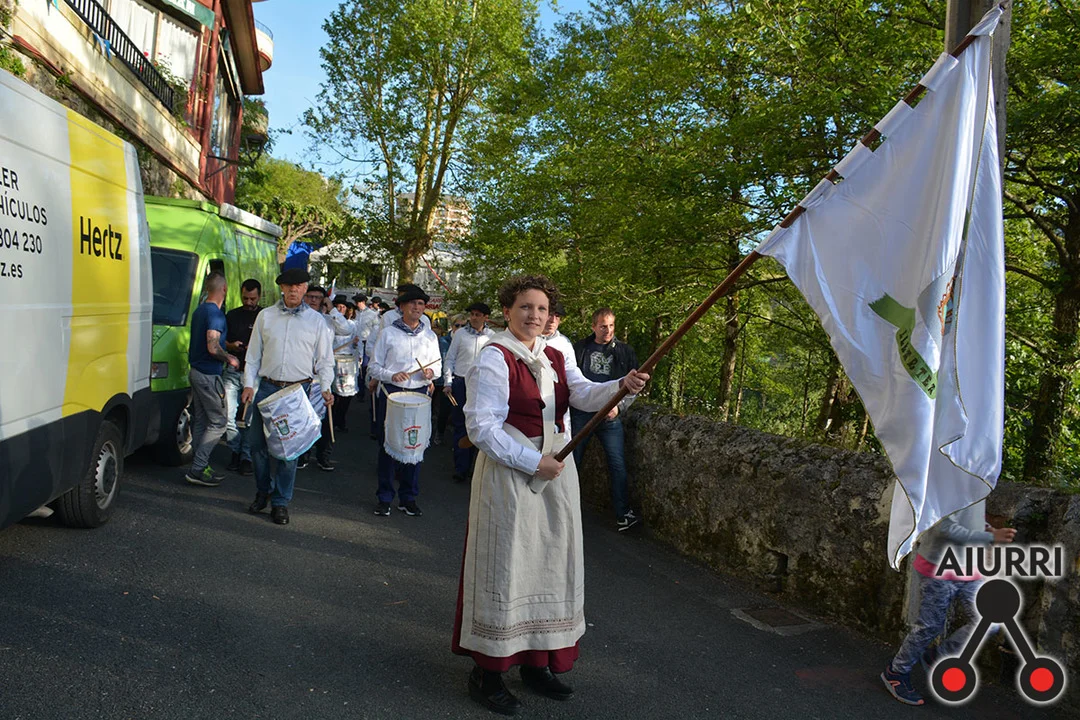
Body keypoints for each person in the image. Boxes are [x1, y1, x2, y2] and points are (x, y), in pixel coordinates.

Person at [452, 275, 648, 715]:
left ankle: (536, 662)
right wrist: (531, 461)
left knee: (548, 566)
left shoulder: (555, 353)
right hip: (510, 475)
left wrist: (622, 385)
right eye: (525, 307)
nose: (534, 315)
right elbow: (481, 428)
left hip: (556, 472)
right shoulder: (495, 357)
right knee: (508, 566)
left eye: (541, 309)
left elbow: (583, 393)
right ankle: (487, 672)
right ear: (507, 310)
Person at [881, 502, 1016, 706]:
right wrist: (989, 537)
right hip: (938, 568)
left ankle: (940, 656)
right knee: (929, 626)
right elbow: (945, 529)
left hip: (969, 567)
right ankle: (896, 672)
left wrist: (987, 528)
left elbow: (970, 518)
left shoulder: (975, 485)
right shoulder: (943, 488)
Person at [240, 268, 334, 525]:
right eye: (288, 285)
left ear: (305, 289)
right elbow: (253, 356)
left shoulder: (316, 321)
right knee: (257, 446)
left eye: (299, 285)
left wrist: (326, 387)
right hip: (267, 388)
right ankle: (263, 492)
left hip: (296, 392)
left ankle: (280, 502)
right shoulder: (265, 316)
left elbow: (325, 361)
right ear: (281, 288)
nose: (293, 289)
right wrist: (248, 384)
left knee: (289, 452)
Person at [368, 286, 441, 517]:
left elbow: (438, 366)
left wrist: (431, 373)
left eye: (420, 304)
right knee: (388, 445)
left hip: (419, 395)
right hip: (392, 394)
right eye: (412, 303)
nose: (417, 308)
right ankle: (384, 497)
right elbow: (373, 367)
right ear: (401, 307)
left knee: (414, 445)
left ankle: (408, 497)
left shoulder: (430, 336)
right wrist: (391, 375)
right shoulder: (388, 333)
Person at [571, 308, 641, 531]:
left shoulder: (625, 352)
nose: (608, 330)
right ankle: (566, 510)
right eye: (603, 326)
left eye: (611, 325)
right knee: (572, 462)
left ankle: (623, 514)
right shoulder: (579, 349)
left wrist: (620, 407)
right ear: (593, 326)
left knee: (617, 463)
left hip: (610, 416)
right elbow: (570, 382)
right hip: (582, 413)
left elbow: (635, 385)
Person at [184, 272, 239, 487]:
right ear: (224, 289)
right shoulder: (216, 315)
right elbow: (212, 346)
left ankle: (199, 465)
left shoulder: (200, 310)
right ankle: (198, 467)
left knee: (202, 420)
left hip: (196, 371)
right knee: (219, 423)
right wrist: (230, 358)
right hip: (208, 375)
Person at [299, 286, 354, 471]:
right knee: (303, 416)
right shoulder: (298, 318)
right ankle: (303, 453)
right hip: (301, 375)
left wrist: (332, 309)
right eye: (310, 297)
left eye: (318, 297)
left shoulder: (329, 320)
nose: (313, 300)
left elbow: (346, 329)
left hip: (322, 376)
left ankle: (323, 455)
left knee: (324, 417)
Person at [443, 302, 495, 482]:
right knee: (460, 424)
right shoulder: (460, 334)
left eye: (478, 315)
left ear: (486, 318)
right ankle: (461, 468)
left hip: (482, 385)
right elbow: (450, 358)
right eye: (472, 314)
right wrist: (448, 381)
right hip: (461, 382)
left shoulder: (492, 337)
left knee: (479, 425)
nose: (473, 318)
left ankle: (476, 468)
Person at [223, 278, 262, 476]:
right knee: (228, 415)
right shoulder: (232, 315)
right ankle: (235, 450)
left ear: (259, 296)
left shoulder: (264, 316)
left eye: (252, 299)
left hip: (254, 374)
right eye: (245, 298)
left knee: (249, 418)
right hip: (233, 370)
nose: (248, 302)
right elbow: (220, 341)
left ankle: (246, 456)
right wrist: (231, 346)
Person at [431, 322, 453, 446]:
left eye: (463, 325)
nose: (460, 328)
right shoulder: (443, 341)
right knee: (442, 406)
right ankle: (439, 431)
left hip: (456, 378)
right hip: (441, 378)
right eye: (457, 325)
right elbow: (442, 359)